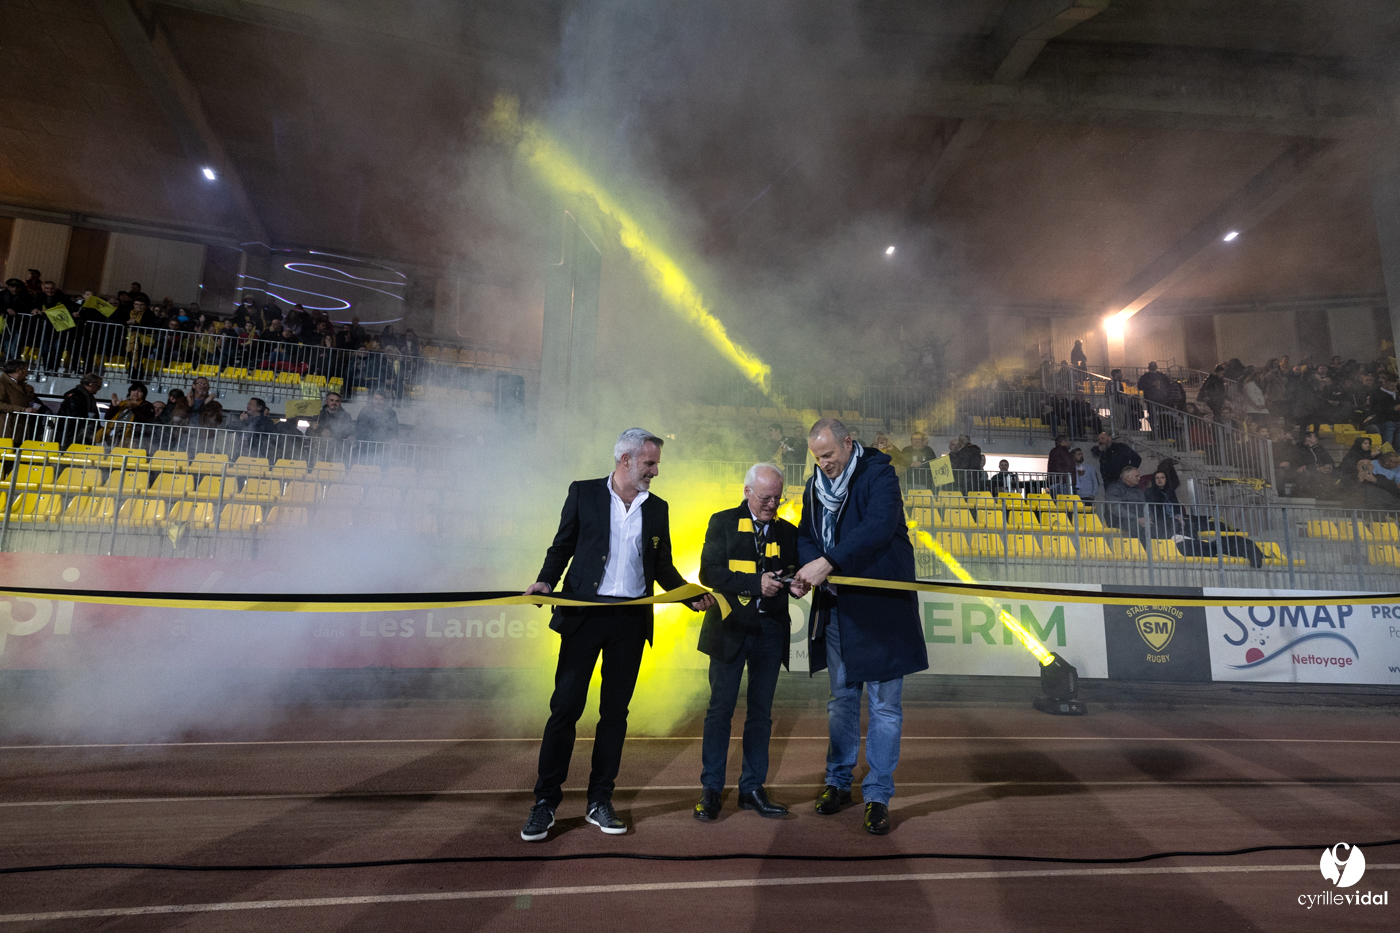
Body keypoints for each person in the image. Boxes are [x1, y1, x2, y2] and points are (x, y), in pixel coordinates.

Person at [520, 429, 714, 842]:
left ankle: (599, 800)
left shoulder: (657, 507)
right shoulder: (583, 493)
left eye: (656, 463)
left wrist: (688, 595)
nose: (655, 471)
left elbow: (663, 569)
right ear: (625, 460)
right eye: (649, 463)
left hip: (630, 622)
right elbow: (562, 546)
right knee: (565, 709)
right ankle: (545, 803)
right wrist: (543, 581)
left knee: (615, 715)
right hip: (584, 617)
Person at [794, 418, 928, 836]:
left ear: (849, 444)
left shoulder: (880, 473)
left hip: (882, 611)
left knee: (885, 707)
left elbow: (879, 526)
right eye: (817, 457)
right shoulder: (815, 484)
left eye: (829, 455)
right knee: (841, 702)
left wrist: (828, 562)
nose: (824, 464)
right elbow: (805, 534)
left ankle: (877, 795)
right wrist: (809, 563)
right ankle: (837, 782)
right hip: (837, 611)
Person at [693, 463, 802, 823]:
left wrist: (798, 584)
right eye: (766, 497)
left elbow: (793, 574)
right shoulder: (722, 521)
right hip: (728, 629)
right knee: (720, 710)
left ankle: (752, 788)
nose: (772, 504)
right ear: (747, 492)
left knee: (761, 714)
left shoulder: (789, 532)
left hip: (770, 632)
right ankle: (711, 789)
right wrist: (756, 584)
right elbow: (709, 572)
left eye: (777, 498)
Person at [0, 359, 45, 445]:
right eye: (25, 371)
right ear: (18, 371)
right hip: (6, 429)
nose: (27, 374)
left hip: (15, 429)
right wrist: (23, 409)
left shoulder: (19, 384)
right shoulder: (2, 382)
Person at [1101, 465, 1149, 545]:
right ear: (1127, 477)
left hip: (1138, 519)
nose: (1139, 478)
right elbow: (1116, 508)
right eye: (1136, 476)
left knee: (1159, 526)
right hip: (1118, 520)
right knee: (1137, 527)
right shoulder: (1114, 489)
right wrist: (1136, 518)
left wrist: (1149, 518)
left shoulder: (1138, 491)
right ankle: (1141, 553)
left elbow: (1146, 506)